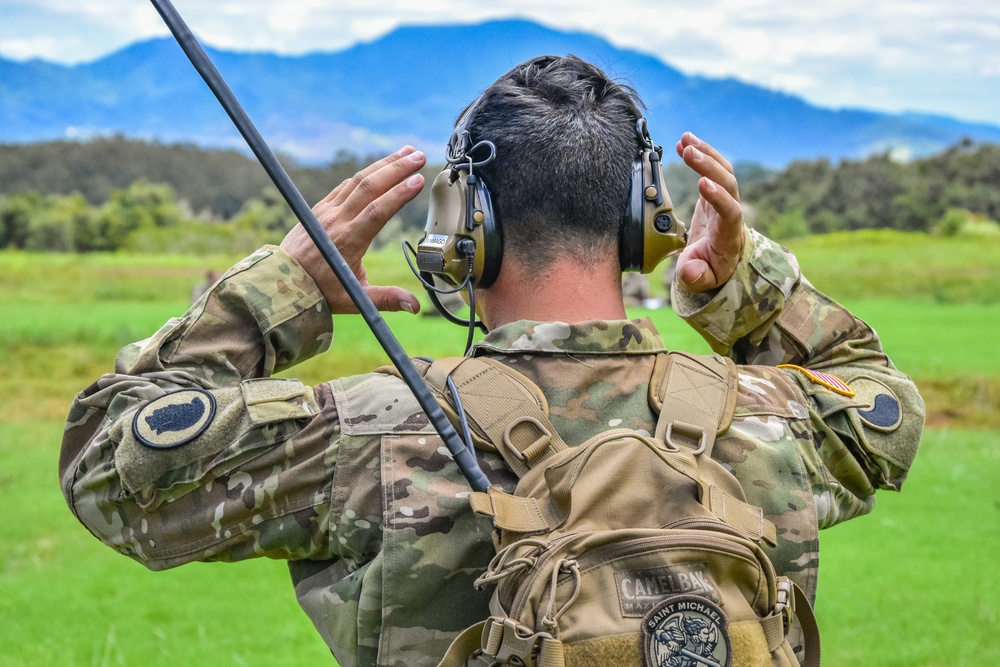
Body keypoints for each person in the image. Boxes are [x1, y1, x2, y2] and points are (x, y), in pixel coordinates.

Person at [59, 56, 923, 666]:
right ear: (641, 221)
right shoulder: (777, 423)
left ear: (466, 228)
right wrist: (744, 286)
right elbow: (881, 398)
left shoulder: (371, 433)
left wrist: (280, 290)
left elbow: (109, 461)